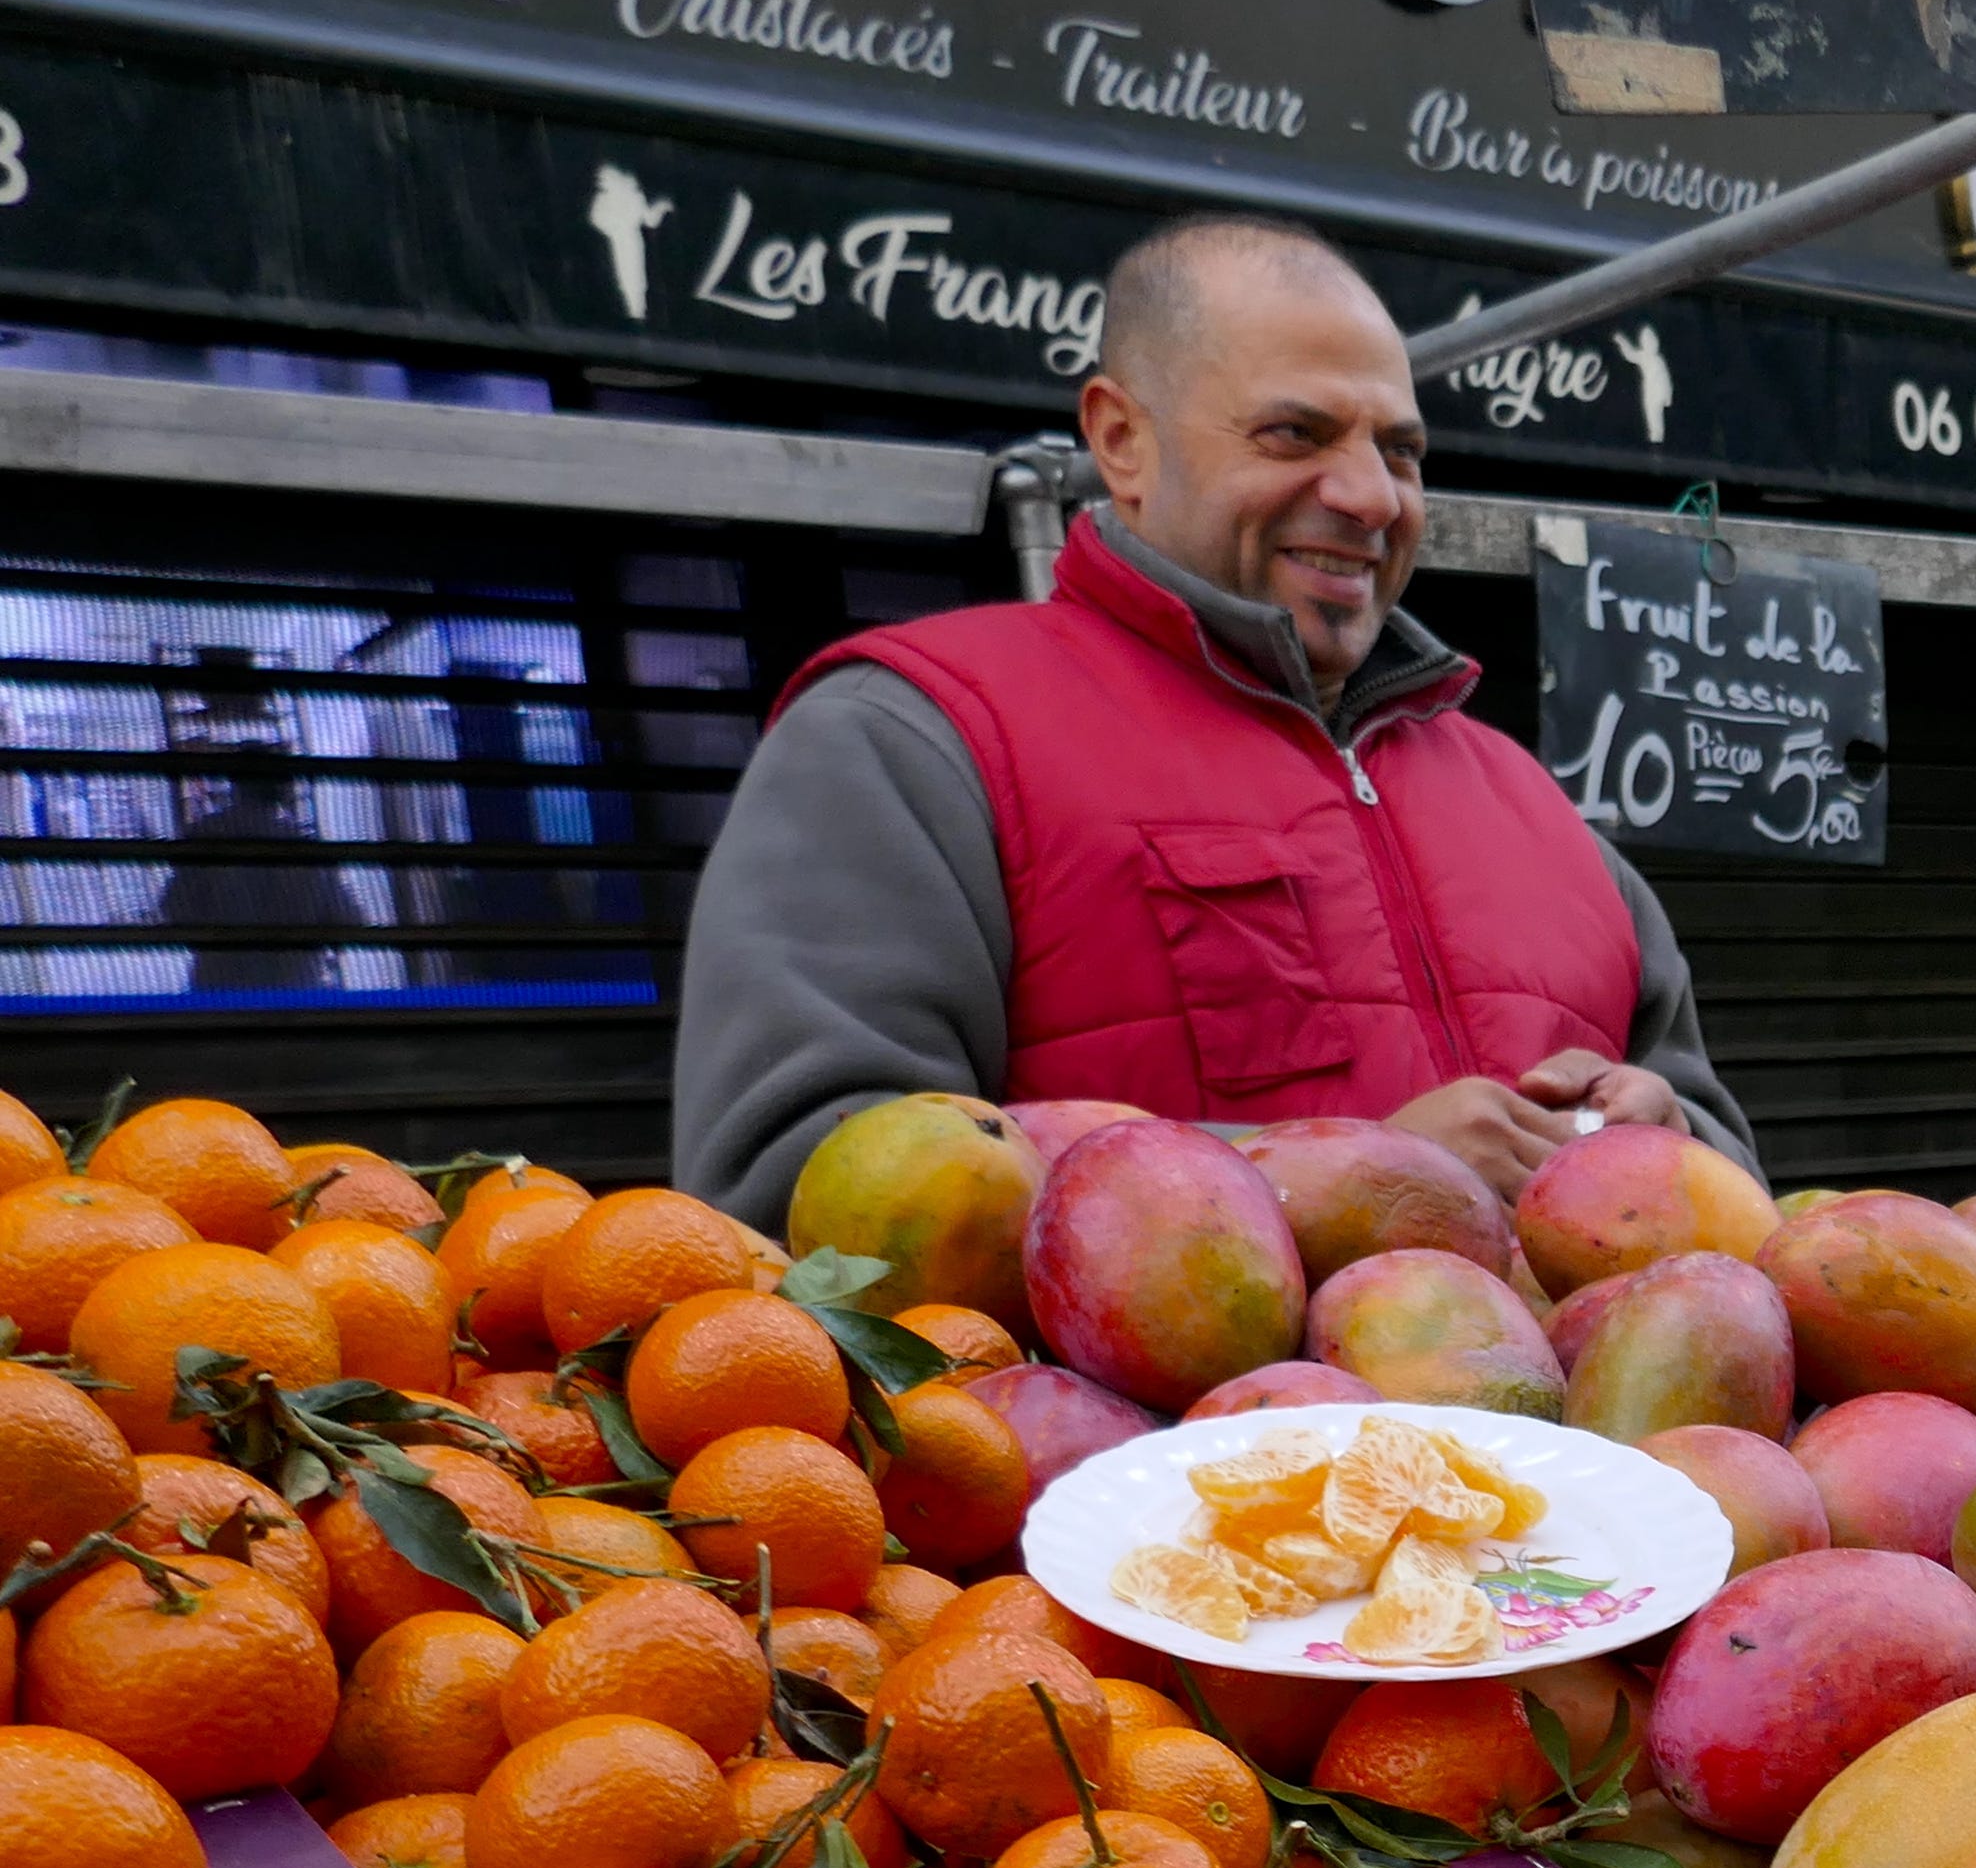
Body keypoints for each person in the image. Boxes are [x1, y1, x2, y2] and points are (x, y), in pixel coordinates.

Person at [675, 212, 1753, 1231]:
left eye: (1403, 450)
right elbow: (791, 1196)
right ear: (1121, 440)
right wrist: (1340, 1178)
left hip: (1536, 1435)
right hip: (1135, 1437)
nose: (1373, 497)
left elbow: (1741, 1190)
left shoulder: (1526, 796)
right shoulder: (909, 741)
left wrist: (1669, 1146)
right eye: (1296, 434)